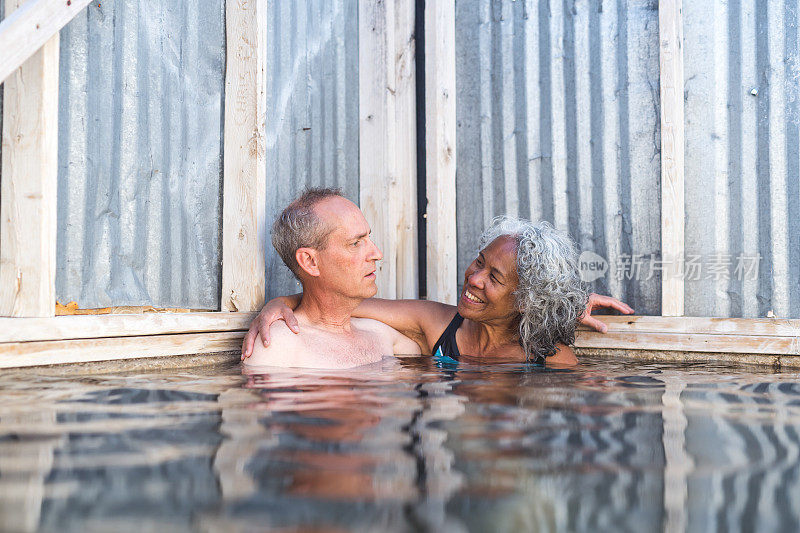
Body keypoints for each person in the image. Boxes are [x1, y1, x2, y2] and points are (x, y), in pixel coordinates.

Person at [243, 210, 634, 367]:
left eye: (494, 277)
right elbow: (340, 303)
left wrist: (561, 308)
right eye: (480, 261)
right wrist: (280, 302)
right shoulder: (436, 322)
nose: (474, 278)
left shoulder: (551, 360)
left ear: (528, 301)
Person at [243, 188, 420, 369]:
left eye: (369, 237)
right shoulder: (279, 347)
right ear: (310, 261)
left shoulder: (384, 337)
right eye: (355, 243)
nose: (377, 254)